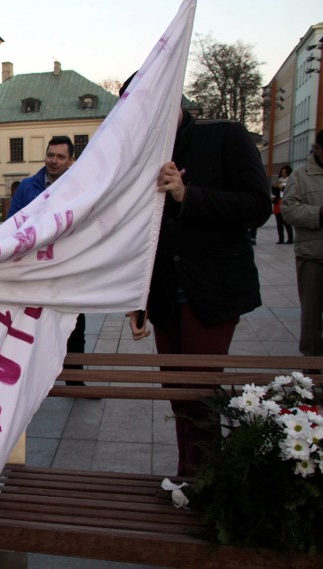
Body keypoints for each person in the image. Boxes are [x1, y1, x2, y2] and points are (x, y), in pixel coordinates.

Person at [124, 74, 271, 477]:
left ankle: (204, 482)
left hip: (213, 291)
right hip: (165, 294)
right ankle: (188, 475)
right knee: (177, 394)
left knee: (201, 393)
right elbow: (139, 232)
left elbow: (258, 205)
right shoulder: (142, 155)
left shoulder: (225, 135)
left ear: (173, 100)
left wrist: (189, 194)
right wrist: (138, 298)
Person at [5, 136, 87, 386]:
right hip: (35, 267)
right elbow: (11, 224)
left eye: (61, 157)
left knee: (74, 322)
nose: (54, 161)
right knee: (33, 322)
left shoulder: (81, 188)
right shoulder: (28, 186)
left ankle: (75, 378)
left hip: (66, 266)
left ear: (71, 160)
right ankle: (31, 380)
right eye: (50, 155)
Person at [281, 129, 323, 368]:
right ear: (317, 149)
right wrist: (318, 214)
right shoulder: (301, 175)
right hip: (313, 257)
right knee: (311, 315)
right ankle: (313, 363)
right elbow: (289, 209)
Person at [273, 165, 294, 244]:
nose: (283, 174)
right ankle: (281, 239)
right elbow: (274, 193)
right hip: (278, 202)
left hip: (285, 202)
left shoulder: (290, 181)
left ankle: (290, 239)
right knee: (279, 223)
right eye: (282, 172)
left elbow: (290, 191)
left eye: (285, 172)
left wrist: (282, 187)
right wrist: (275, 187)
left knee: (287, 222)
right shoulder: (279, 180)